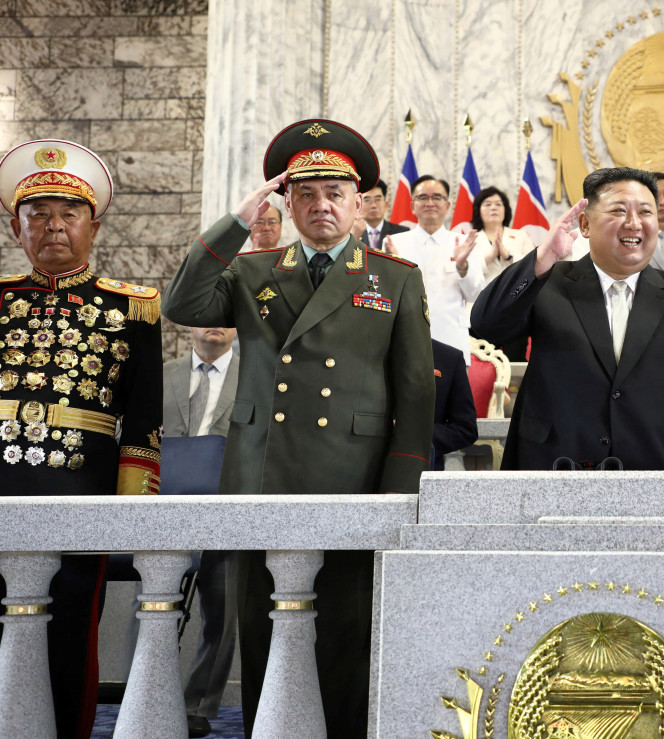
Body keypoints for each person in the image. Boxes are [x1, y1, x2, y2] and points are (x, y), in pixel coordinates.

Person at [161, 118, 435, 737]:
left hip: (354, 475)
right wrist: (235, 220)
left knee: (344, 626)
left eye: (334, 193)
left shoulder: (394, 278)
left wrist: (401, 487)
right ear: (285, 203)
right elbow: (182, 305)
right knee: (262, 627)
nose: (321, 206)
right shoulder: (254, 269)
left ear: (358, 201)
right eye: (305, 194)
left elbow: (415, 393)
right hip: (265, 470)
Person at [0, 139, 163, 738]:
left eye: (69, 215)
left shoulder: (133, 308)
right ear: (17, 229)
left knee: (69, 633)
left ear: (93, 226)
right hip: (1, 486)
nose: (54, 227)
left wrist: (129, 515)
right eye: (38, 215)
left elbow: (144, 424)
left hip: (80, 490)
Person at [471, 166, 664, 472]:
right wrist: (542, 259)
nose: (634, 223)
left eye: (645, 211)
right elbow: (486, 324)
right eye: (619, 210)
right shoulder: (549, 282)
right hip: (555, 466)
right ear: (584, 224)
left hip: (656, 468)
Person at [165, 325, 239, 738]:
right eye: (205, 316)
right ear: (188, 325)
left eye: (226, 318)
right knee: (153, 604)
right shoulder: (164, 374)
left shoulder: (257, 377)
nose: (215, 324)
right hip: (163, 506)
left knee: (223, 609)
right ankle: (142, 688)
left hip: (227, 504)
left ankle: (198, 704)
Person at [387, 175, 485, 364]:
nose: (430, 203)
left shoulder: (465, 243)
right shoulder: (393, 243)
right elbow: (386, 295)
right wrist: (394, 272)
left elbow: (476, 296)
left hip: (452, 340)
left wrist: (462, 267)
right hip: (406, 341)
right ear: (412, 206)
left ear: (447, 206)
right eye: (423, 198)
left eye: (437, 198)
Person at [469, 186, 536, 283]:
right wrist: (490, 256)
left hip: (515, 294)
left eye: (498, 204)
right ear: (478, 211)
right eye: (488, 204)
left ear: (505, 210)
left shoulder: (521, 236)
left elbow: (533, 265)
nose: (493, 208)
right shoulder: (471, 239)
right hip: (482, 295)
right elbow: (464, 271)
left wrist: (508, 256)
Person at [431, 338, 478, 470]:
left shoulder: (448, 357)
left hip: (423, 467)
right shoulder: (370, 351)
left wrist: (418, 435)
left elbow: (466, 429)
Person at [353, 178, 408, 250]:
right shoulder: (353, 233)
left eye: (378, 200)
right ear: (359, 205)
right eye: (367, 200)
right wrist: (353, 238)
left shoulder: (402, 233)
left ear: (386, 205)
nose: (373, 205)